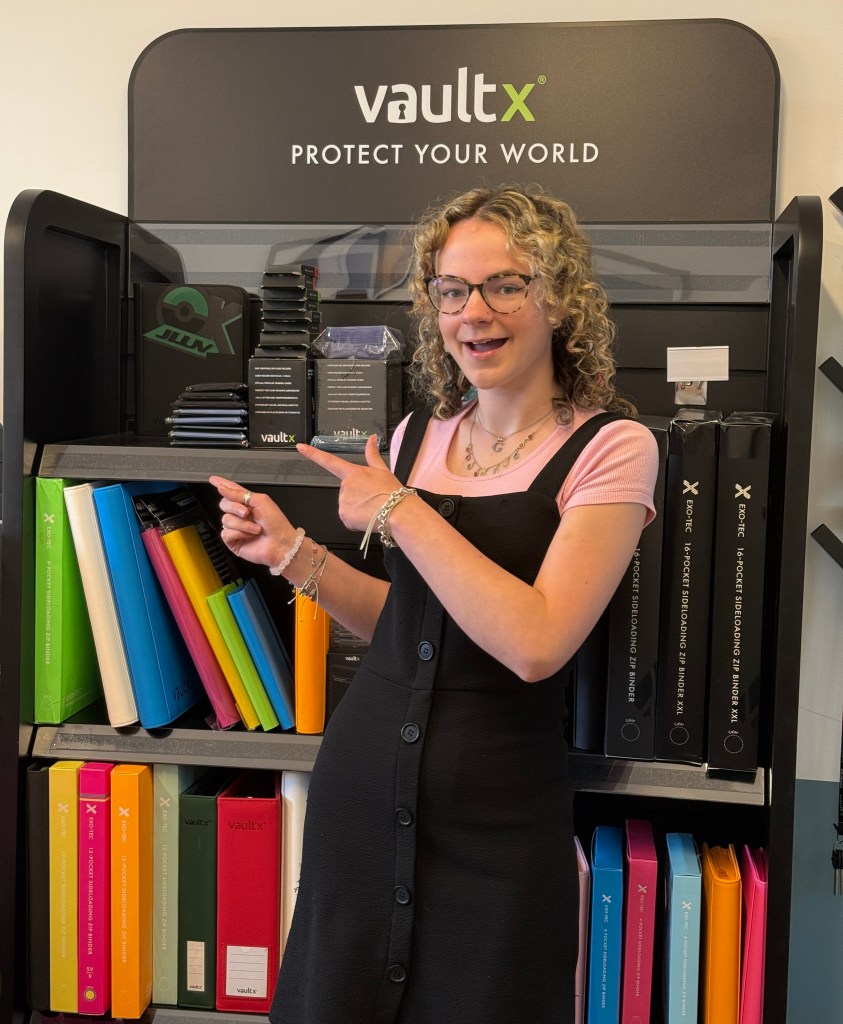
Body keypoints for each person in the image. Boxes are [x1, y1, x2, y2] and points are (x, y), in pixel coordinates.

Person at [209, 184, 658, 1024]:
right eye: (451, 290)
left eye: (504, 285)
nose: (472, 312)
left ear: (557, 297)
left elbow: (534, 642)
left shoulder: (613, 448)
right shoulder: (418, 437)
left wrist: (399, 510)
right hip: (361, 799)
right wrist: (291, 556)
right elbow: (415, 631)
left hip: (497, 821)